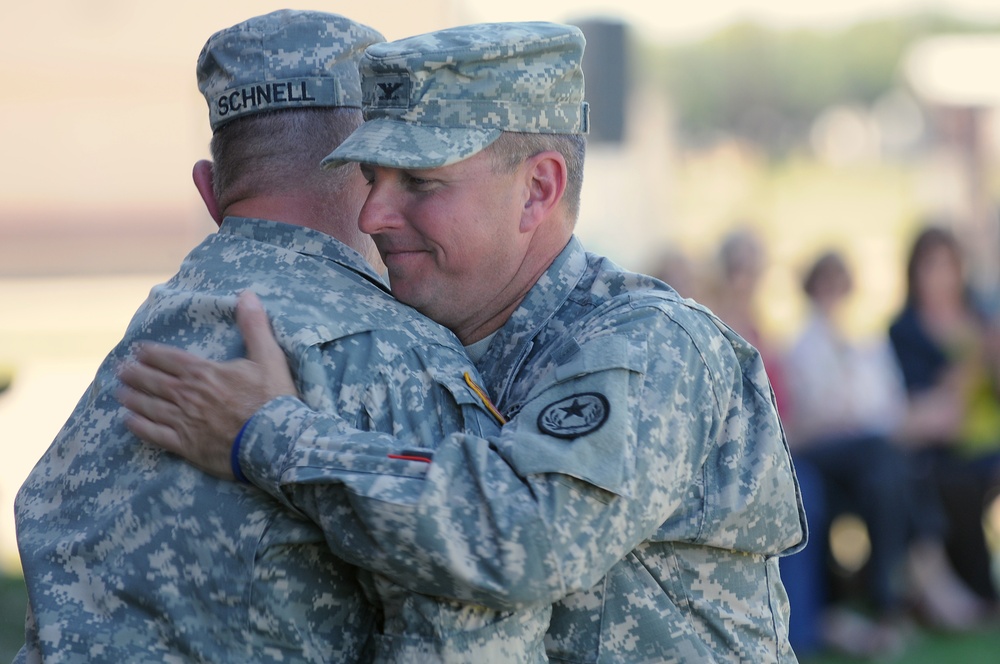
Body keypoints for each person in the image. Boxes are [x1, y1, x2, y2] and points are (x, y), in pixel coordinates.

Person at [119, 22, 806, 662]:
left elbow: (525, 533)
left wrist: (269, 436)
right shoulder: (420, 345)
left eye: (420, 182)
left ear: (538, 189)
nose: (372, 214)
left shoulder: (651, 344)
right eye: (370, 177)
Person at [15, 11, 545, 663]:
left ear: (209, 190)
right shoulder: (392, 355)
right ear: (377, 172)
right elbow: (477, 630)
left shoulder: (135, 357)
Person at [780, 250, 986, 657]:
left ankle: (892, 599)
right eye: (826, 283)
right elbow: (809, 419)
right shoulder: (803, 346)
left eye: (841, 283)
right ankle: (919, 578)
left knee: (887, 475)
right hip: (826, 455)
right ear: (812, 289)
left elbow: (886, 406)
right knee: (888, 456)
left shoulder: (865, 344)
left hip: (869, 456)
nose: (835, 293)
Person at [888, 225, 1000, 605]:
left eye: (948, 265)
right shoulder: (904, 331)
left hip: (989, 437)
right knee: (960, 485)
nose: (940, 277)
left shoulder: (981, 318)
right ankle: (975, 590)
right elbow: (921, 409)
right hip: (943, 453)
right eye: (930, 266)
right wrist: (973, 364)